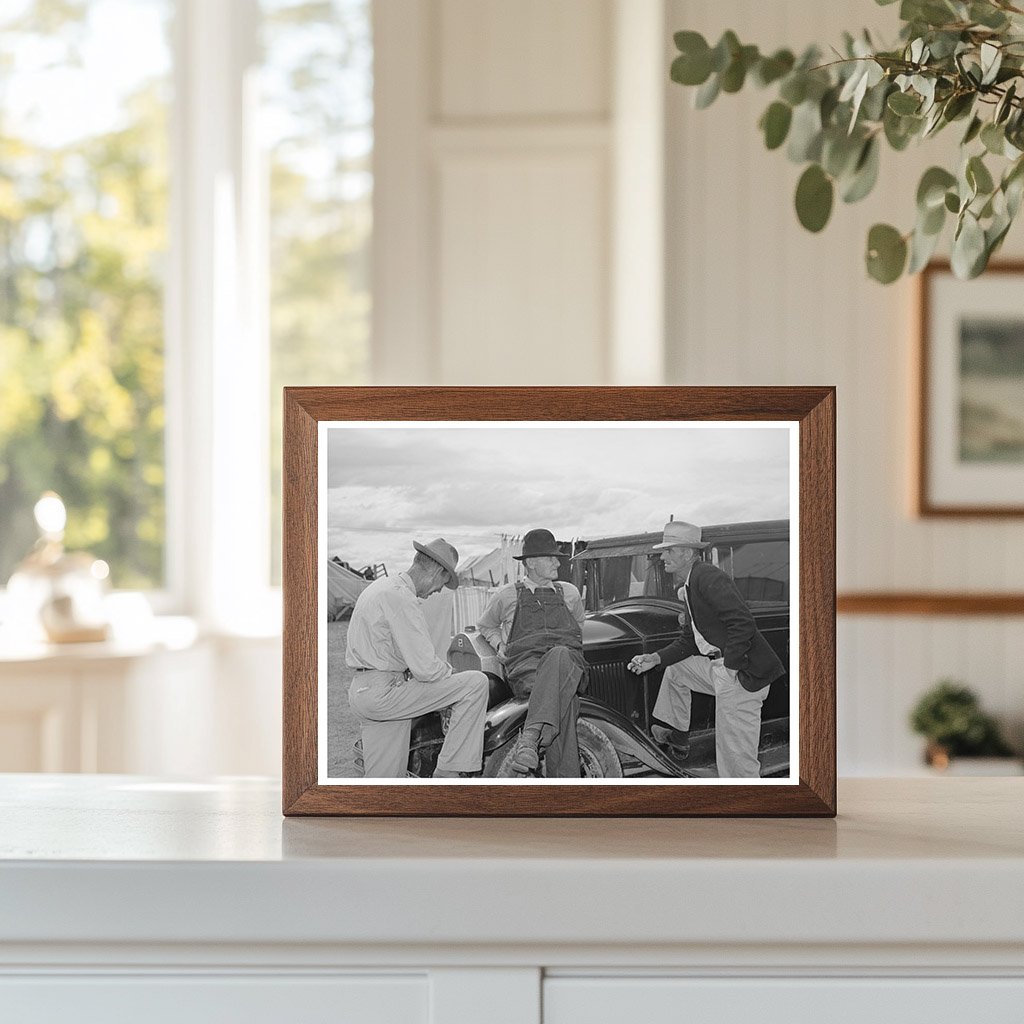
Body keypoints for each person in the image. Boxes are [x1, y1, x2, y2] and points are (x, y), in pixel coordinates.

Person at [627, 520, 785, 779]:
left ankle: (752, 811)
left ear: (687, 553)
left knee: (735, 762)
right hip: (721, 668)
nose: (662, 556)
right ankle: (678, 734)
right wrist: (654, 658)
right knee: (676, 670)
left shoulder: (707, 576)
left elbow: (742, 622)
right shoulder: (689, 585)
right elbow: (690, 641)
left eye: (669, 550)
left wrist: (730, 669)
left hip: (742, 674)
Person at [346, 538, 488, 778]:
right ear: (436, 571)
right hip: (384, 692)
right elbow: (426, 668)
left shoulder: (381, 587)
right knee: (475, 683)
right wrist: (452, 675)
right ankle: (448, 771)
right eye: (444, 582)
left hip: (363, 690)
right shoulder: (402, 598)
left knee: (383, 782)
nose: (439, 590)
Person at [477, 528, 586, 776]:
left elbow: (578, 627)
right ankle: (567, 789)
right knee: (565, 701)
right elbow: (486, 625)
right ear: (531, 563)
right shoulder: (506, 596)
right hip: (527, 670)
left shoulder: (569, 593)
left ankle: (530, 738)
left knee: (560, 655)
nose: (557, 562)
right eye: (551, 558)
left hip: (568, 664)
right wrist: (499, 645)